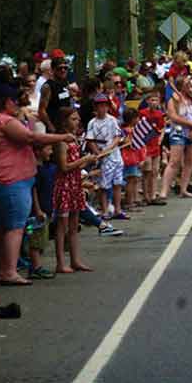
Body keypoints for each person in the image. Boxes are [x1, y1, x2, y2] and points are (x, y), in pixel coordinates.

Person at [0, 86, 73, 285]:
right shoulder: (3, 121)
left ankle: (1, 268)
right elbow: (31, 138)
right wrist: (61, 137)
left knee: (3, 226)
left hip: (3, 178)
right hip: (12, 179)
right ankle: (9, 271)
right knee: (15, 226)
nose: (18, 104)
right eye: (14, 100)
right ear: (5, 101)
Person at [53, 106, 106, 274]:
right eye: (73, 119)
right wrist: (84, 159)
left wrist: (88, 161)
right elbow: (64, 166)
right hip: (64, 185)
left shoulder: (74, 140)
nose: (76, 122)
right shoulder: (61, 142)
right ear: (64, 121)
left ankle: (75, 259)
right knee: (62, 226)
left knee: (74, 224)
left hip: (75, 184)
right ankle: (61, 262)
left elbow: (76, 165)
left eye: (77, 119)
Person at [85, 92, 127, 219]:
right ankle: (104, 210)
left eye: (104, 105)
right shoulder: (92, 123)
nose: (102, 108)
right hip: (102, 156)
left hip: (114, 155)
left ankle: (118, 209)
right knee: (104, 185)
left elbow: (117, 137)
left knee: (117, 183)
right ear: (95, 107)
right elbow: (90, 140)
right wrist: (98, 153)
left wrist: (109, 148)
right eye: (99, 106)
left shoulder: (112, 120)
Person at [159, 79, 192, 198]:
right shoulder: (173, 99)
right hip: (178, 132)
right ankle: (164, 191)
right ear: (181, 87)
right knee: (174, 161)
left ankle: (184, 189)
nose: (190, 86)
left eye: (190, 84)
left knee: (189, 161)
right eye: (187, 84)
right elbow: (173, 116)